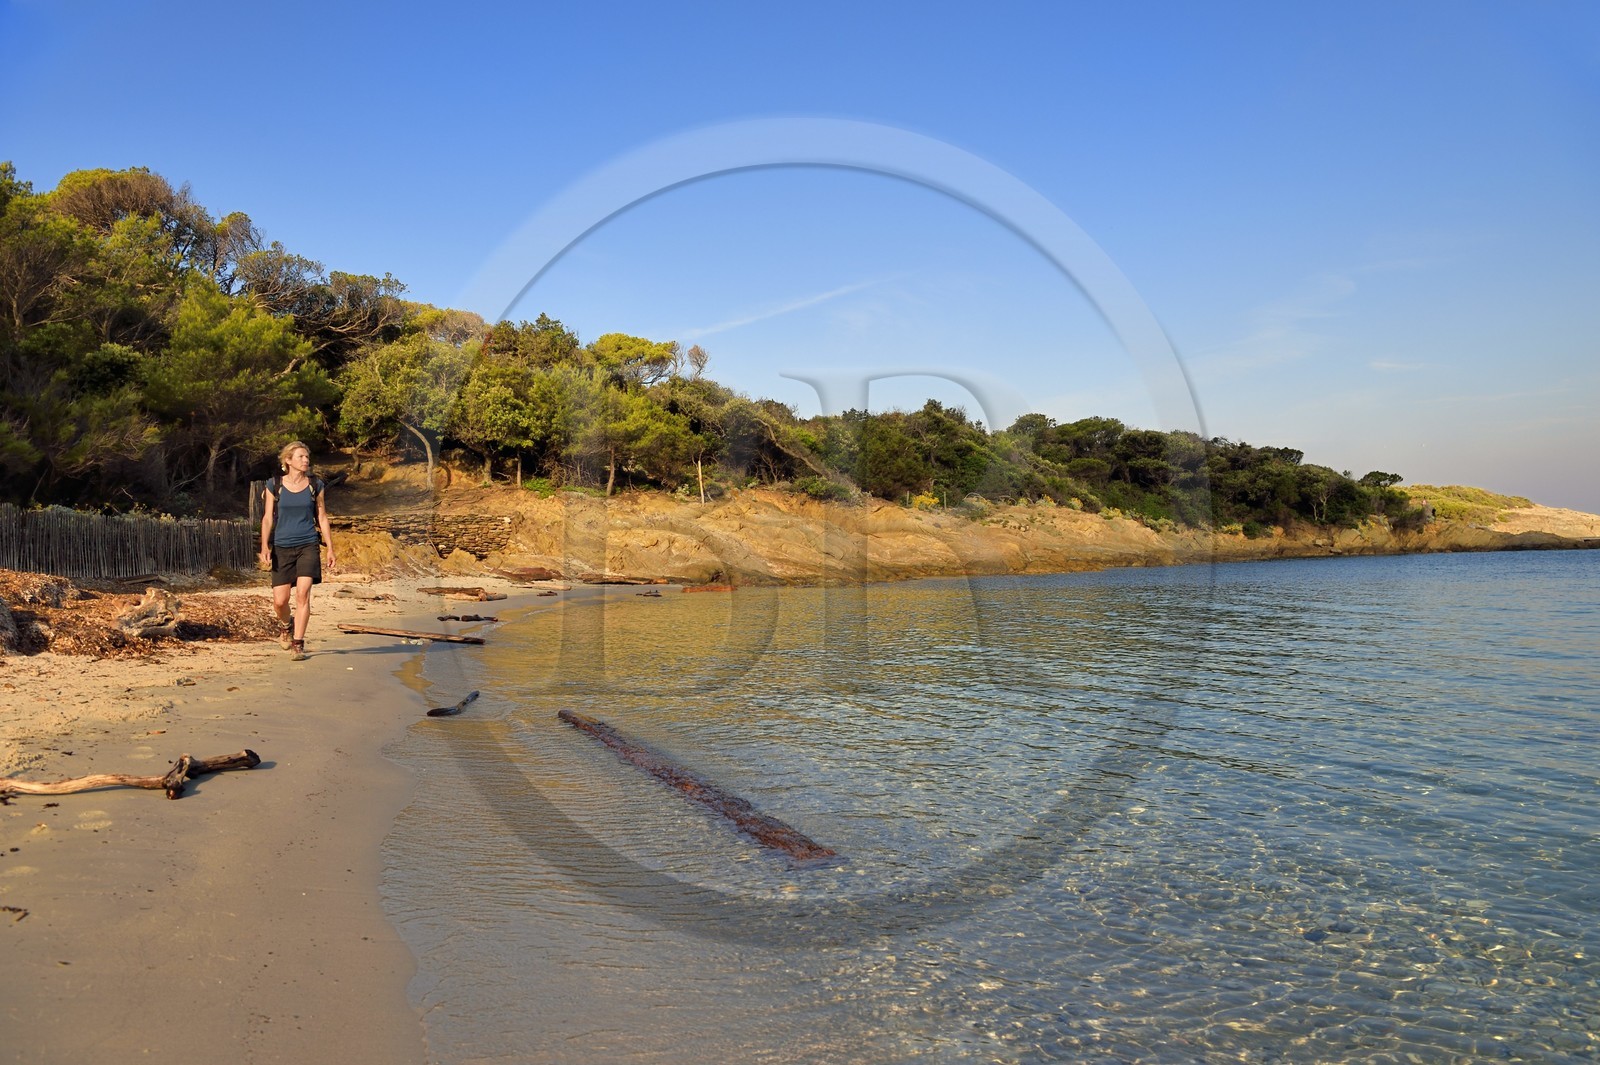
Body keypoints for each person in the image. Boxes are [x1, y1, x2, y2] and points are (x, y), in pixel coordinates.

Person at [258, 441, 336, 661]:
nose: (306, 460)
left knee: (303, 594)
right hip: (282, 546)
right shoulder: (274, 484)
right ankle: (286, 625)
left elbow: (322, 516)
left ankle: (298, 644)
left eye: (307, 457)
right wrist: (264, 545)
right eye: (301, 456)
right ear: (288, 460)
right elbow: (266, 518)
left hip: (308, 544)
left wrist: (330, 548)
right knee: (280, 601)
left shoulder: (315, 484)